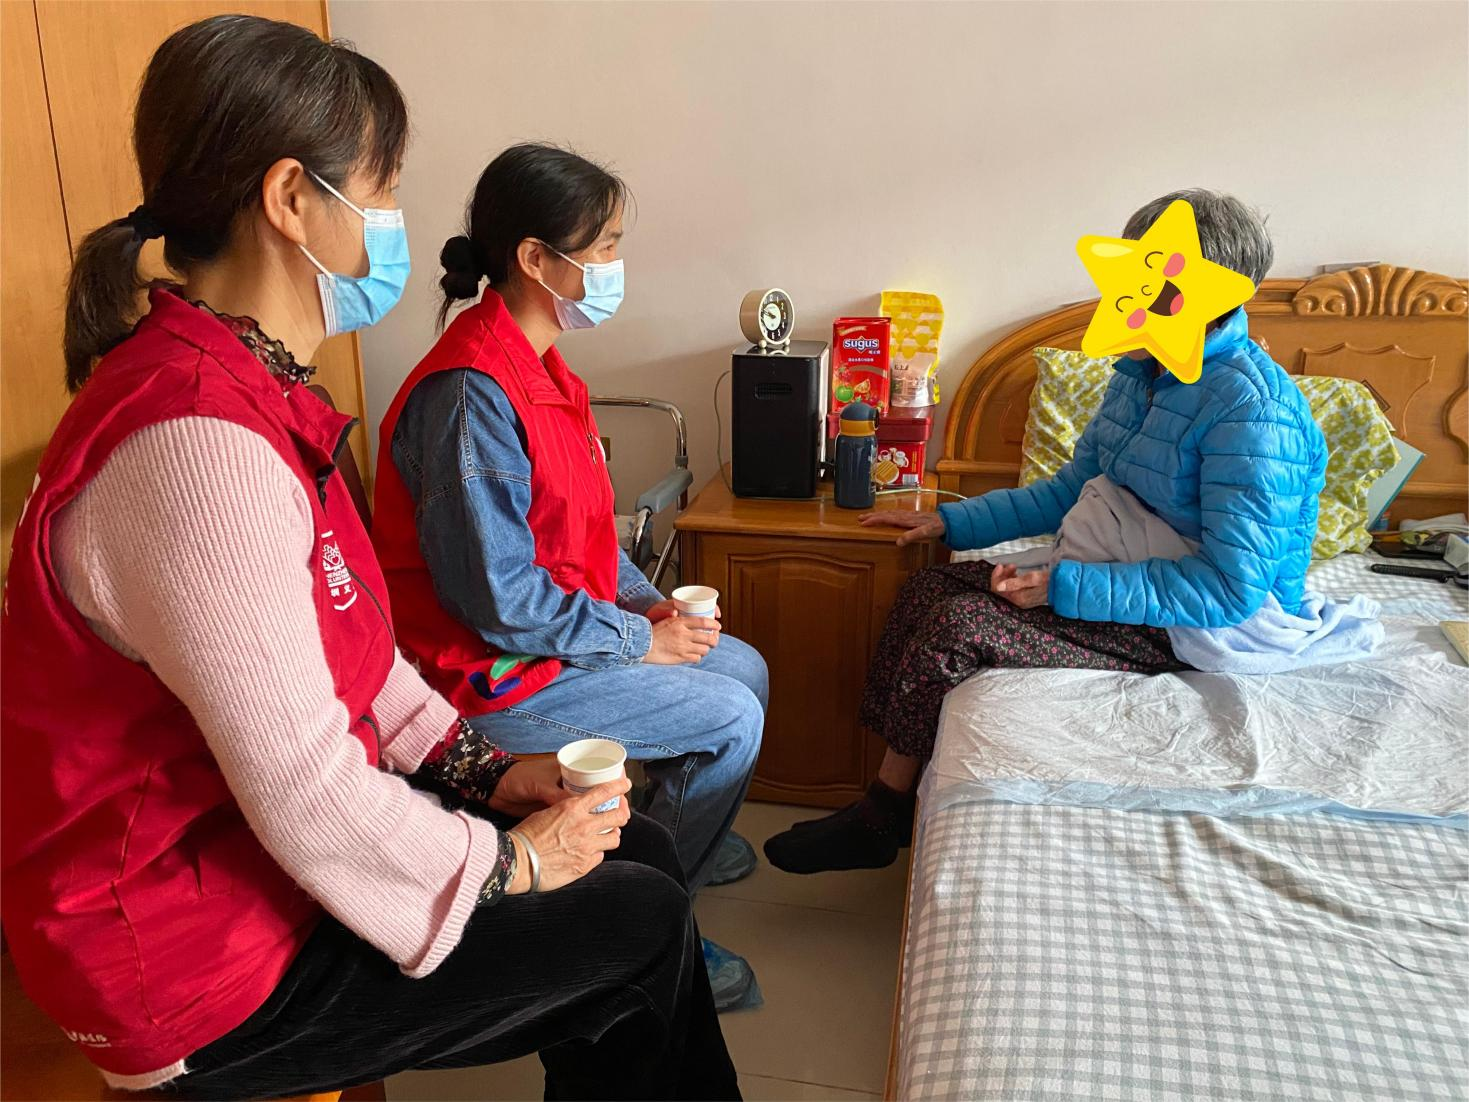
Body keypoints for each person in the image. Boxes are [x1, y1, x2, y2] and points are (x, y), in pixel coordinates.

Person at [0, 17, 738, 1101]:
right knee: (637, 926)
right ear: (291, 199)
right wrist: (512, 860)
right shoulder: (199, 445)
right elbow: (308, 790)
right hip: (191, 954)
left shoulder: (253, 393)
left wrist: (486, 774)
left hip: (256, 859)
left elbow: (358, 656)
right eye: (382, 189)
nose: (394, 223)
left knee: (640, 862)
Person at [765, 189, 1328, 874]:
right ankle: (885, 805)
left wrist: (1062, 586)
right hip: (1127, 568)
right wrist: (949, 519)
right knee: (927, 589)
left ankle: (879, 818)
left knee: (958, 626)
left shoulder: (1253, 412)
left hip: (1207, 624)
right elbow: (1070, 492)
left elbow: (1229, 590)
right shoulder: (1143, 371)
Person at [374, 143, 768, 1011]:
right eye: (605, 247)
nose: (616, 266)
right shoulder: (471, 394)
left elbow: (587, 533)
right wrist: (636, 641)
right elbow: (498, 599)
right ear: (535, 258)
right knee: (731, 717)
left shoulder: (547, 372)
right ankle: (657, 915)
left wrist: (647, 605)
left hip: (547, 643)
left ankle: (676, 832)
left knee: (741, 664)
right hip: (485, 676)